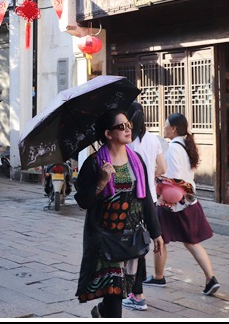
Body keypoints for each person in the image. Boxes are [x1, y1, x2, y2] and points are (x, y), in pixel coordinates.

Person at [76, 110, 163, 318]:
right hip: (105, 237)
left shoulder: (137, 160)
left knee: (121, 290)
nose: (128, 129)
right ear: (108, 133)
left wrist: (156, 232)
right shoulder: (95, 163)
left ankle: (102, 311)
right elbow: (84, 202)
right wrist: (101, 183)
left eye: (129, 125)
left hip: (131, 236)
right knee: (114, 291)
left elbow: (145, 198)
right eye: (121, 126)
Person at [144, 112, 220, 296]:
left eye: (165, 124)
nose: (163, 128)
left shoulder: (173, 149)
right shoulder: (186, 146)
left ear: (174, 128)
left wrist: (157, 179)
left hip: (172, 204)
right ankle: (211, 278)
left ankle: (158, 276)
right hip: (189, 202)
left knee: (159, 239)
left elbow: (173, 178)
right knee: (192, 242)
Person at [121, 102, 167, 311]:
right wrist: (150, 178)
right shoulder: (153, 139)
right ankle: (135, 291)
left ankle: (136, 293)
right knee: (140, 244)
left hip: (132, 199)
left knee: (133, 247)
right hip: (149, 197)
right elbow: (163, 168)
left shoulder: (127, 142)